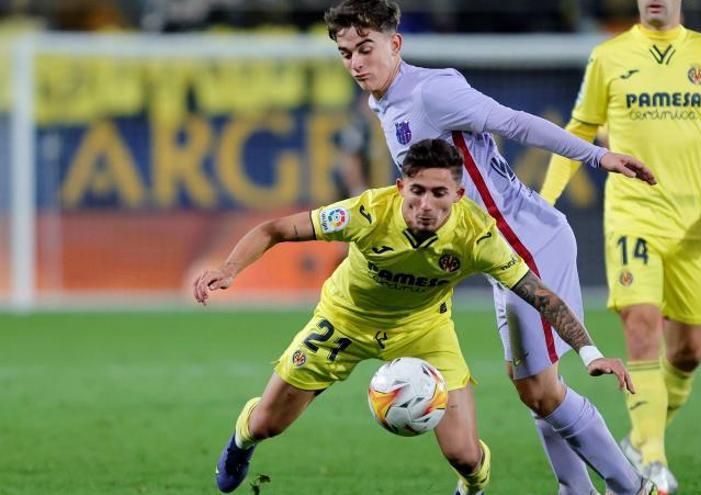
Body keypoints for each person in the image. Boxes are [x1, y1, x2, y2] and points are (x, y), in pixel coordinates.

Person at [325, 2, 658, 494]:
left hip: (528, 242)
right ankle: (579, 489)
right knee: (535, 387)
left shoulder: (432, 92)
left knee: (540, 389)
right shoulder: (385, 101)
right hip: (498, 252)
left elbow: (516, 123)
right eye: (346, 52)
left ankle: (633, 488)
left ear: (395, 44)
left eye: (365, 48)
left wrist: (597, 155)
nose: (355, 62)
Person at [196, 139, 643, 494]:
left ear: (458, 195)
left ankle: (470, 488)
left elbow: (538, 294)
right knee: (268, 424)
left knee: (466, 455)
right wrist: (228, 269)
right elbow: (274, 230)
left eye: (439, 193)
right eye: (417, 191)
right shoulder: (368, 212)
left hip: (424, 331)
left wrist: (590, 353)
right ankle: (241, 443)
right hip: (343, 322)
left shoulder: (475, 235)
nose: (427, 204)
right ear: (400, 187)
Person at [540, 1, 701, 493]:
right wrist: (547, 200)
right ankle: (654, 463)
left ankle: (642, 438)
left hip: (690, 227)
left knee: (689, 352)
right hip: (631, 217)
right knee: (641, 323)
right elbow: (578, 130)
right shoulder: (609, 56)